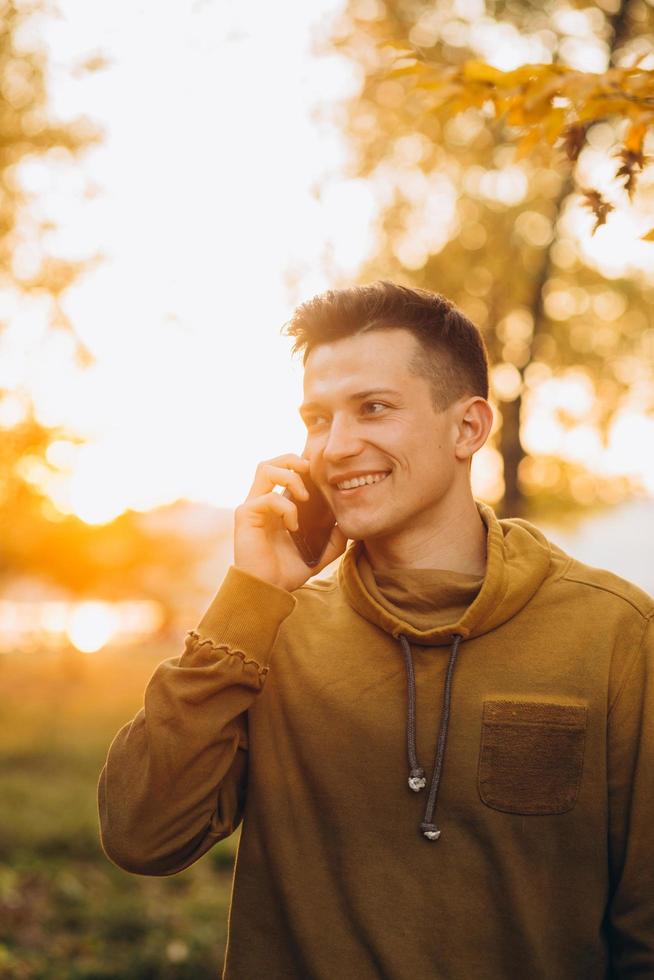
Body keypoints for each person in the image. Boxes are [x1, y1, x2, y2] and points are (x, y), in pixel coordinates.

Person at [98, 281, 653, 979]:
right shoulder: (270, 631)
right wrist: (251, 596)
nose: (335, 447)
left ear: (468, 429)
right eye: (317, 418)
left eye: (374, 409)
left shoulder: (615, 633)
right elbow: (142, 836)